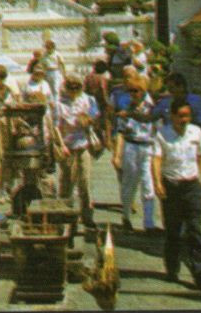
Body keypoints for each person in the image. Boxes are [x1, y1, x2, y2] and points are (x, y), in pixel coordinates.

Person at [154, 100, 201, 288]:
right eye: (180, 116)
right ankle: (172, 269)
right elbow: (157, 160)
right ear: (172, 116)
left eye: (187, 116)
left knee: (195, 230)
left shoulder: (196, 132)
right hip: (172, 186)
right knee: (173, 231)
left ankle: (200, 271)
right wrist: (158, 182)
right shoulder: (162, 134)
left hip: (192, 186)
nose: (184, 120)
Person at [110, 73, 160, 232]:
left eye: (137, 91)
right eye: (131, 91)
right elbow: (120, 132)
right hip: (131, 147)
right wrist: (117, 155)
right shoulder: (126, 109)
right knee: (128, 185)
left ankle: (149, 222)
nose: (133, 94)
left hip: (148, 147)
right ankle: (126, 216)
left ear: (143, 91)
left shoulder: (151, 108)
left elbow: (157, 131)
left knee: (148, 185)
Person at [52, 77, 100, 232]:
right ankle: (65, 216)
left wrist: (88, 119)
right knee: (67, 183)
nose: (73, 91)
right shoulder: (60, 104)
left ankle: (87, 215)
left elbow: (96, 115)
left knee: (85, 181)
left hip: (83, 145)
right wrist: (62, 145)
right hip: (68, 146)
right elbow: (56, 127)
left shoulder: (87, 100)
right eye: (70, 87)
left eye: (76, 88)